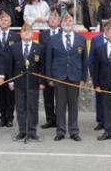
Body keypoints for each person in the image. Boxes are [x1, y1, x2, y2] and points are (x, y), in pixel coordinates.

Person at [46, 14, 88, 142]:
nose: (68, 22)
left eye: (70, 20)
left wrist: (83, 78)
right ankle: (60, 131)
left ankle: (74, 131)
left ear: (73, 23)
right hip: (59, 76)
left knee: (73, 105)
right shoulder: (53, 39)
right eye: (65, 20)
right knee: (60, 105)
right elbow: (49, 60)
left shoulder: (81, 39)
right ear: (61, 23)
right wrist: (49, 78)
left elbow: (84, 60)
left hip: (75, 76)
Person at [4, 23, 44, 140]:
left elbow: (42, 67)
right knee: (20, 107)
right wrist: (10, 81)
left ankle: (32, 130)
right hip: (19, 82)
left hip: (33, 82)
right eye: (24, 31)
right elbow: (10, 66)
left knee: (32, 107)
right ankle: (22, 130)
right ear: (20, 34)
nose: (26, 33)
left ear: (32, 34)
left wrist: (42, 82)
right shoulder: (14, 47)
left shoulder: (39, 48)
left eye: (29, 31)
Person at [0, 12, 20, 128]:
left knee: (10, 96)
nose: (3, 22)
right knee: (0, 97)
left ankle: (9, 117)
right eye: (1, 20)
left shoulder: (15, 36)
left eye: (6, 20)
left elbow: (18, 56)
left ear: (10, 23)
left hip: (11, 71)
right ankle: (2, 117)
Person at [37, 12, 61, 129]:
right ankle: (50, 119)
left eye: (55, 18)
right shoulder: (43, 35)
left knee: (61, 98)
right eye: (50, 18)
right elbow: (41, 55)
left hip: (61, 71)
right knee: (48, 98)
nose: (52, 20)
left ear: (59, 21)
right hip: (47, 70)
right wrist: (42, 75)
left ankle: (60, 120)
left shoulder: (63, 33)